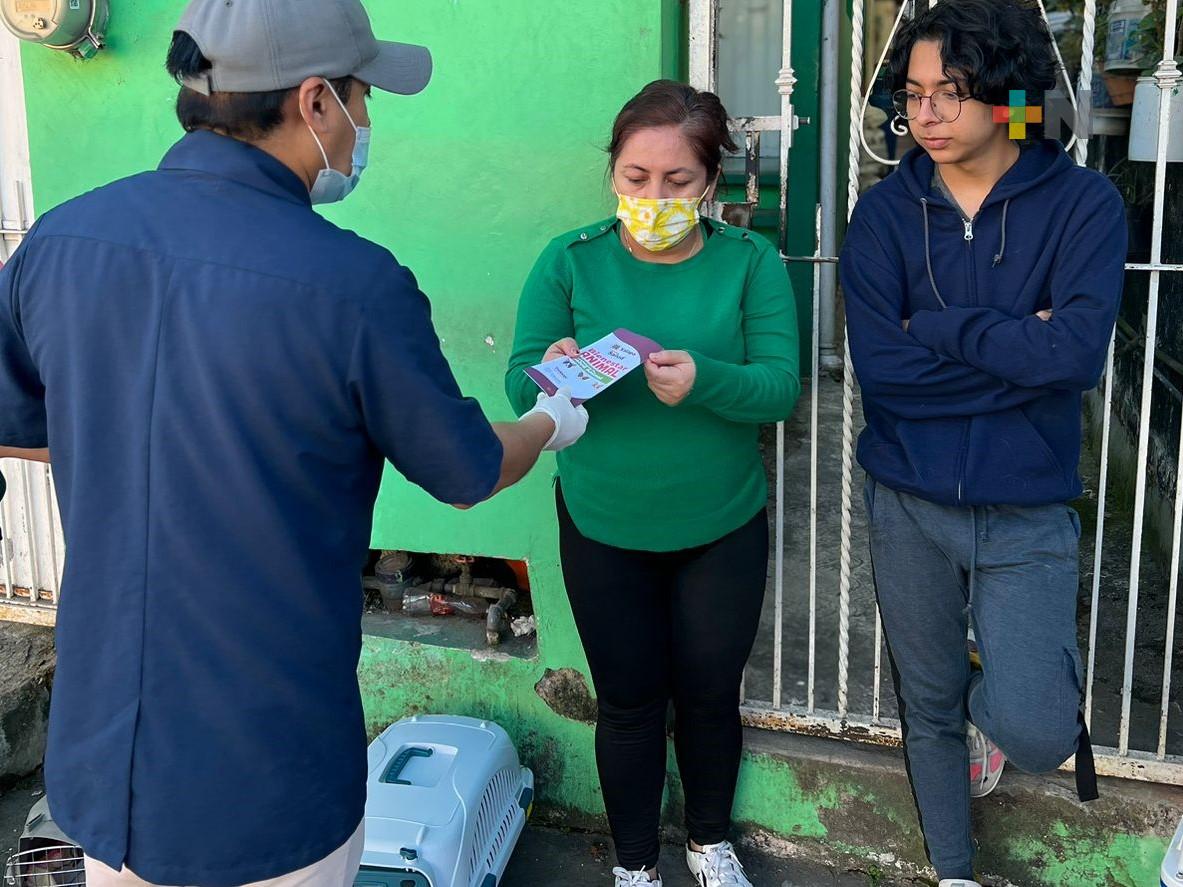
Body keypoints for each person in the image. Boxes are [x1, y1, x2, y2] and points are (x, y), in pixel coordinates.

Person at [0, 0, 588, 884]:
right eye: (362, 97)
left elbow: (25, 428)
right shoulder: (353, 287)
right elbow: (466, 471)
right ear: (314, 102)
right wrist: (550, 421)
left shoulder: (61, 241)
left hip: (100, 773)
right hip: (267, 783)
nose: (365, 125)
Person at [839, 2, 1126, 885]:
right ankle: (953, 870)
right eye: (912, 96)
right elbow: (883, 375)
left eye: (948, 95)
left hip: (1024, 505)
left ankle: (989, 698)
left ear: (1004, 99)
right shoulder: (883, 215)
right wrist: (1015, 343)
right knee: (924, 708)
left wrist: (944, 326)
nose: (922, 116)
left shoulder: (1082, 204)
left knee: (1038, 728)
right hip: (905, 498)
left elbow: (1072, 354)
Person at [506, 80, 800, 887]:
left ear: (709, 182)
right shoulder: (570, 259)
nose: (654, 197)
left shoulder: (751, 262)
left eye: (677, 181)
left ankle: (710, 843)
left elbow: (780, 387)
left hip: (721, 523)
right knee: (629, 702)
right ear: (612, 173)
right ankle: (634, 863)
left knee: (708, 697)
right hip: (603, 521)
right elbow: (516, 380)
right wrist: (552, 376)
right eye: (636, 178)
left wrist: (705, 378)